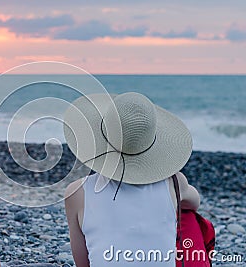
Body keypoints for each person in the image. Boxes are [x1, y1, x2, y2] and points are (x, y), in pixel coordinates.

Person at [63, 92, 201, 266]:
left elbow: (83, 262)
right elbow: (195, 203)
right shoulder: (174, 183)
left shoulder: (77, 193)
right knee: (186, 215)